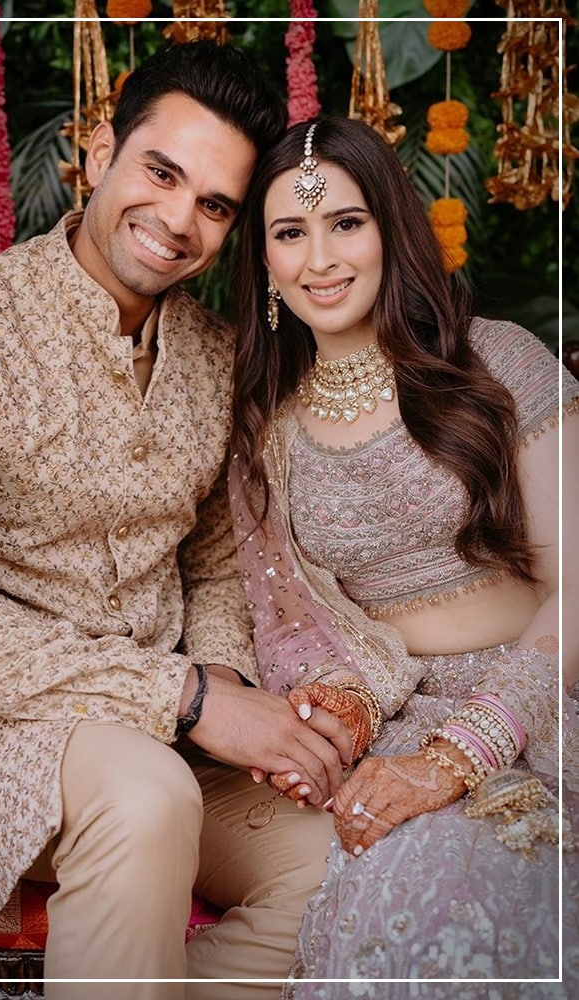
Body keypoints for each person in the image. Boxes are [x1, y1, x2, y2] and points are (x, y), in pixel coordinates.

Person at [0, 41, 355, 1000]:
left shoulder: (218, 359)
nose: (178, 221)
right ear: (100, 155)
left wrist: (221, 678)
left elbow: (217, 563)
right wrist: (183, 695)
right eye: (161, 172)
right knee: (145, 795)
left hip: (173, 729)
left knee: (342, 856)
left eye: (215, 205)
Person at [229, 114, 579, 997]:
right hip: (388, 722)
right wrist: (344, 711)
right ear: (265, 263)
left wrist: (466, 749)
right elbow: (292, 625)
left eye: (346, 222)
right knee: (395, 887)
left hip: (542, 700)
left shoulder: (499, 363)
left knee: (492, 891)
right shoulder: (265, 428)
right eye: (289, 233)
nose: (321, 259)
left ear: (389, 227)